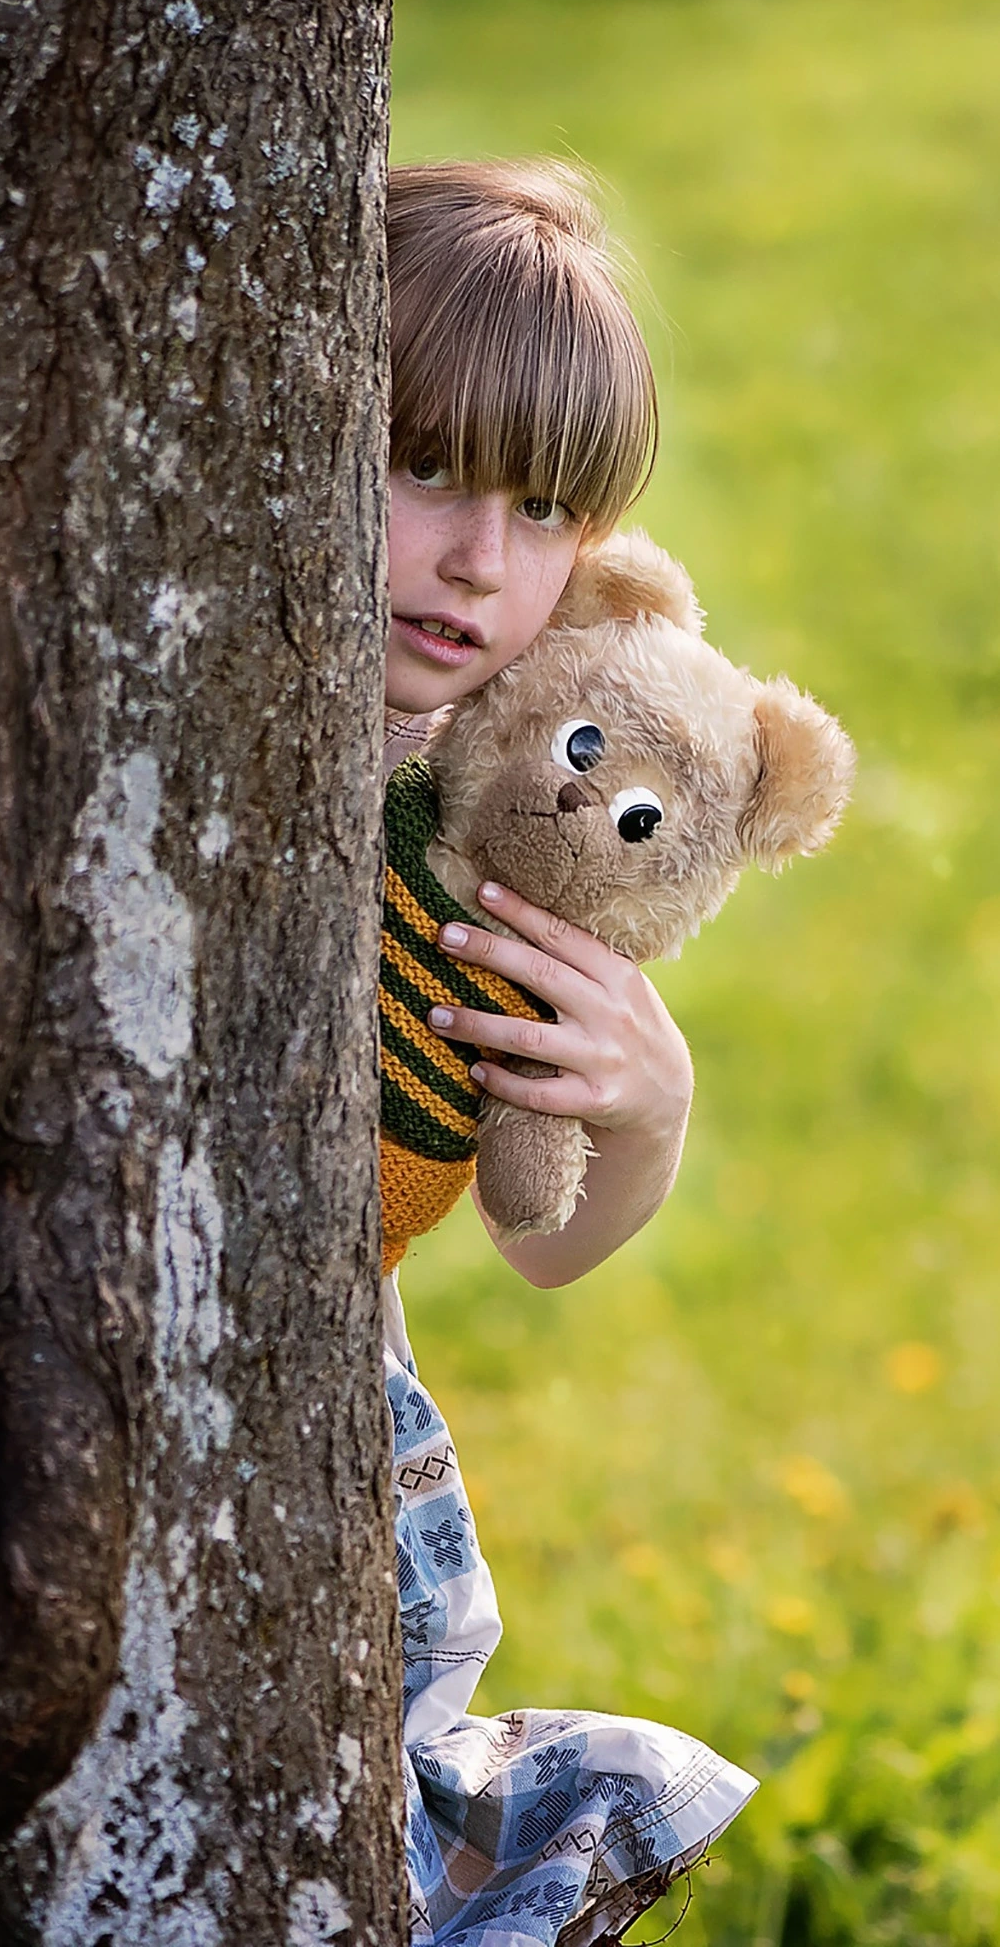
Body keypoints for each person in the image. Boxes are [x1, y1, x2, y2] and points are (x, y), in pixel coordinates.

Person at [382, 162, 756, 1947]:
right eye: (422, 466)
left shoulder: (507, 796)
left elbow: (538, 1251)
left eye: (540, 508)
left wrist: (648, 1117)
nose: (478, 559)